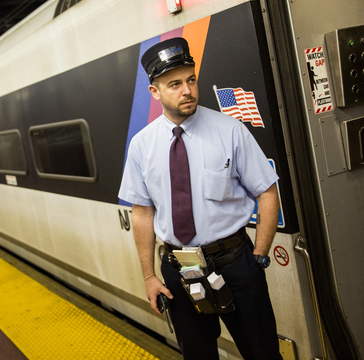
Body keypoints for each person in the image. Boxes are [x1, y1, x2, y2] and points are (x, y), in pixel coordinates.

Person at [118, 37, 283, 359]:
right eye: (175, 84)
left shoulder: (230, 130)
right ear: (155, 92)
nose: (188, 90)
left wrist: (259, 257)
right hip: (178, 270)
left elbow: (267, 192)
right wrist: (150, 276)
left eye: (191, 80)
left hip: (235, 262)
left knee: (263, 353)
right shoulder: (142, 145)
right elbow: (142, 212)